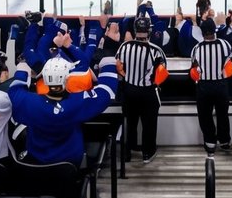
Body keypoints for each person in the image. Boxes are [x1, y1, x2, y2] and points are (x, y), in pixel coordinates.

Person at [9, 23, 121, 166]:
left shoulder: (29, 102)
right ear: (67, 78)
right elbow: (107, 90)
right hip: (69, 164)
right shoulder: (77, 103)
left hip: (35, 165)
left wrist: (22, 68)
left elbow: (15, 90)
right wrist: (109, 53)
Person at [117, 15, 169, 164]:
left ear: (135, 30)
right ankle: (148, 153)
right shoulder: (156, 50)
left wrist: (127, 78)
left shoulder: (124, 46)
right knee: (149, 124)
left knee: (129, 122)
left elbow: (119, 67)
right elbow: (162, 72)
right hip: (147, 92)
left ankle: (127, 153)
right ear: (149, 30)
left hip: (129, 90)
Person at [190, 19, 232, 155]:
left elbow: (193, 67)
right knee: (222, 114)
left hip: (204, 86)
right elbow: (230, 61)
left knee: (205, 116)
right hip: (221, 84)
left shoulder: (196, 48)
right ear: (215, 30)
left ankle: (210, 142)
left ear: (202, 33)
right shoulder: (225, 44)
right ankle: (225, 141)